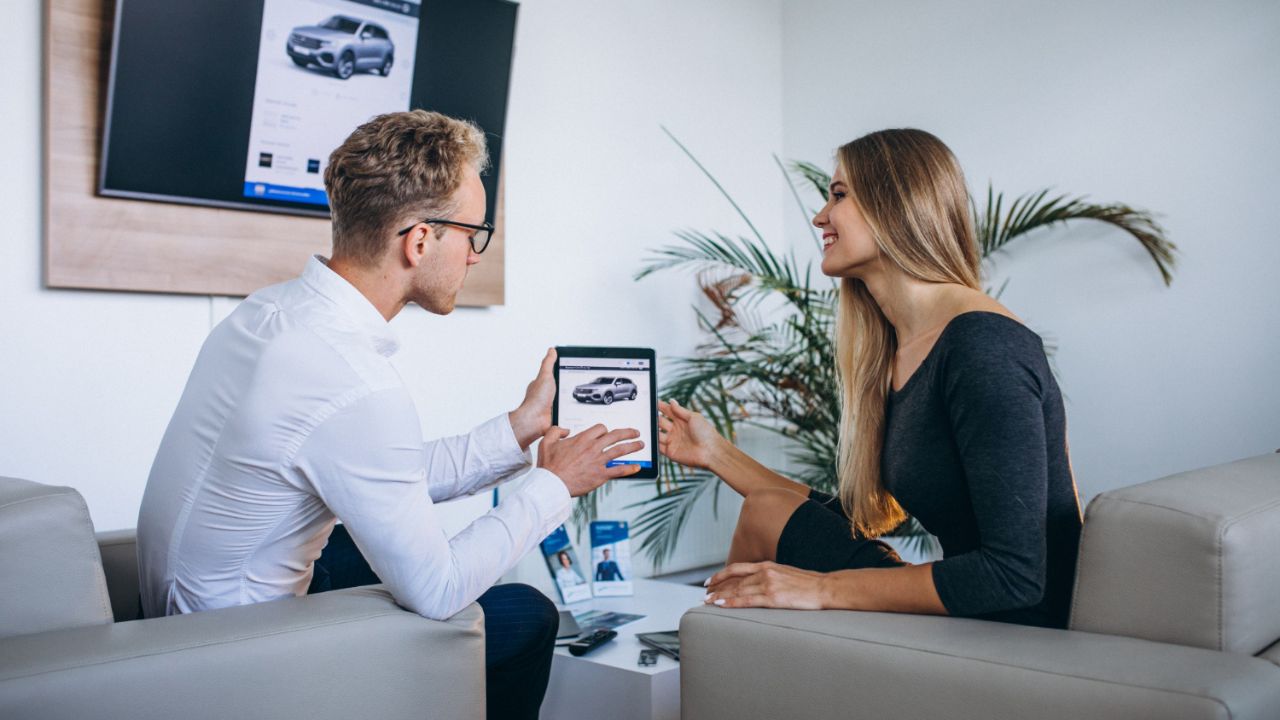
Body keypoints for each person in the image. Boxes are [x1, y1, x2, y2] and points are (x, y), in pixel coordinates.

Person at [137, 109, 644, 720]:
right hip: (244, 660)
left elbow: (378, 470)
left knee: (371, 544)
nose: (476, 255)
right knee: (525, 614)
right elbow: (438, 590)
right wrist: (554, 484)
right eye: (473, 235)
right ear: (420, 239)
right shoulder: (353, 381)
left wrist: (520, 428)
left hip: (183, 623)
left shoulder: (267, 314)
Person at [659, 129, 1083, 629]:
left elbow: (1016, 576)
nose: (820, 216)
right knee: (769, 509)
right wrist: (712, 451)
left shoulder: (982, 347)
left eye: (838, 195)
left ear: (894, 205)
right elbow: (843, 516)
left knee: (765, 517)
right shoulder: (907, 346)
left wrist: (820, 589)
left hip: (1018, 624)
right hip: (978, 607)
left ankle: (720, 668)